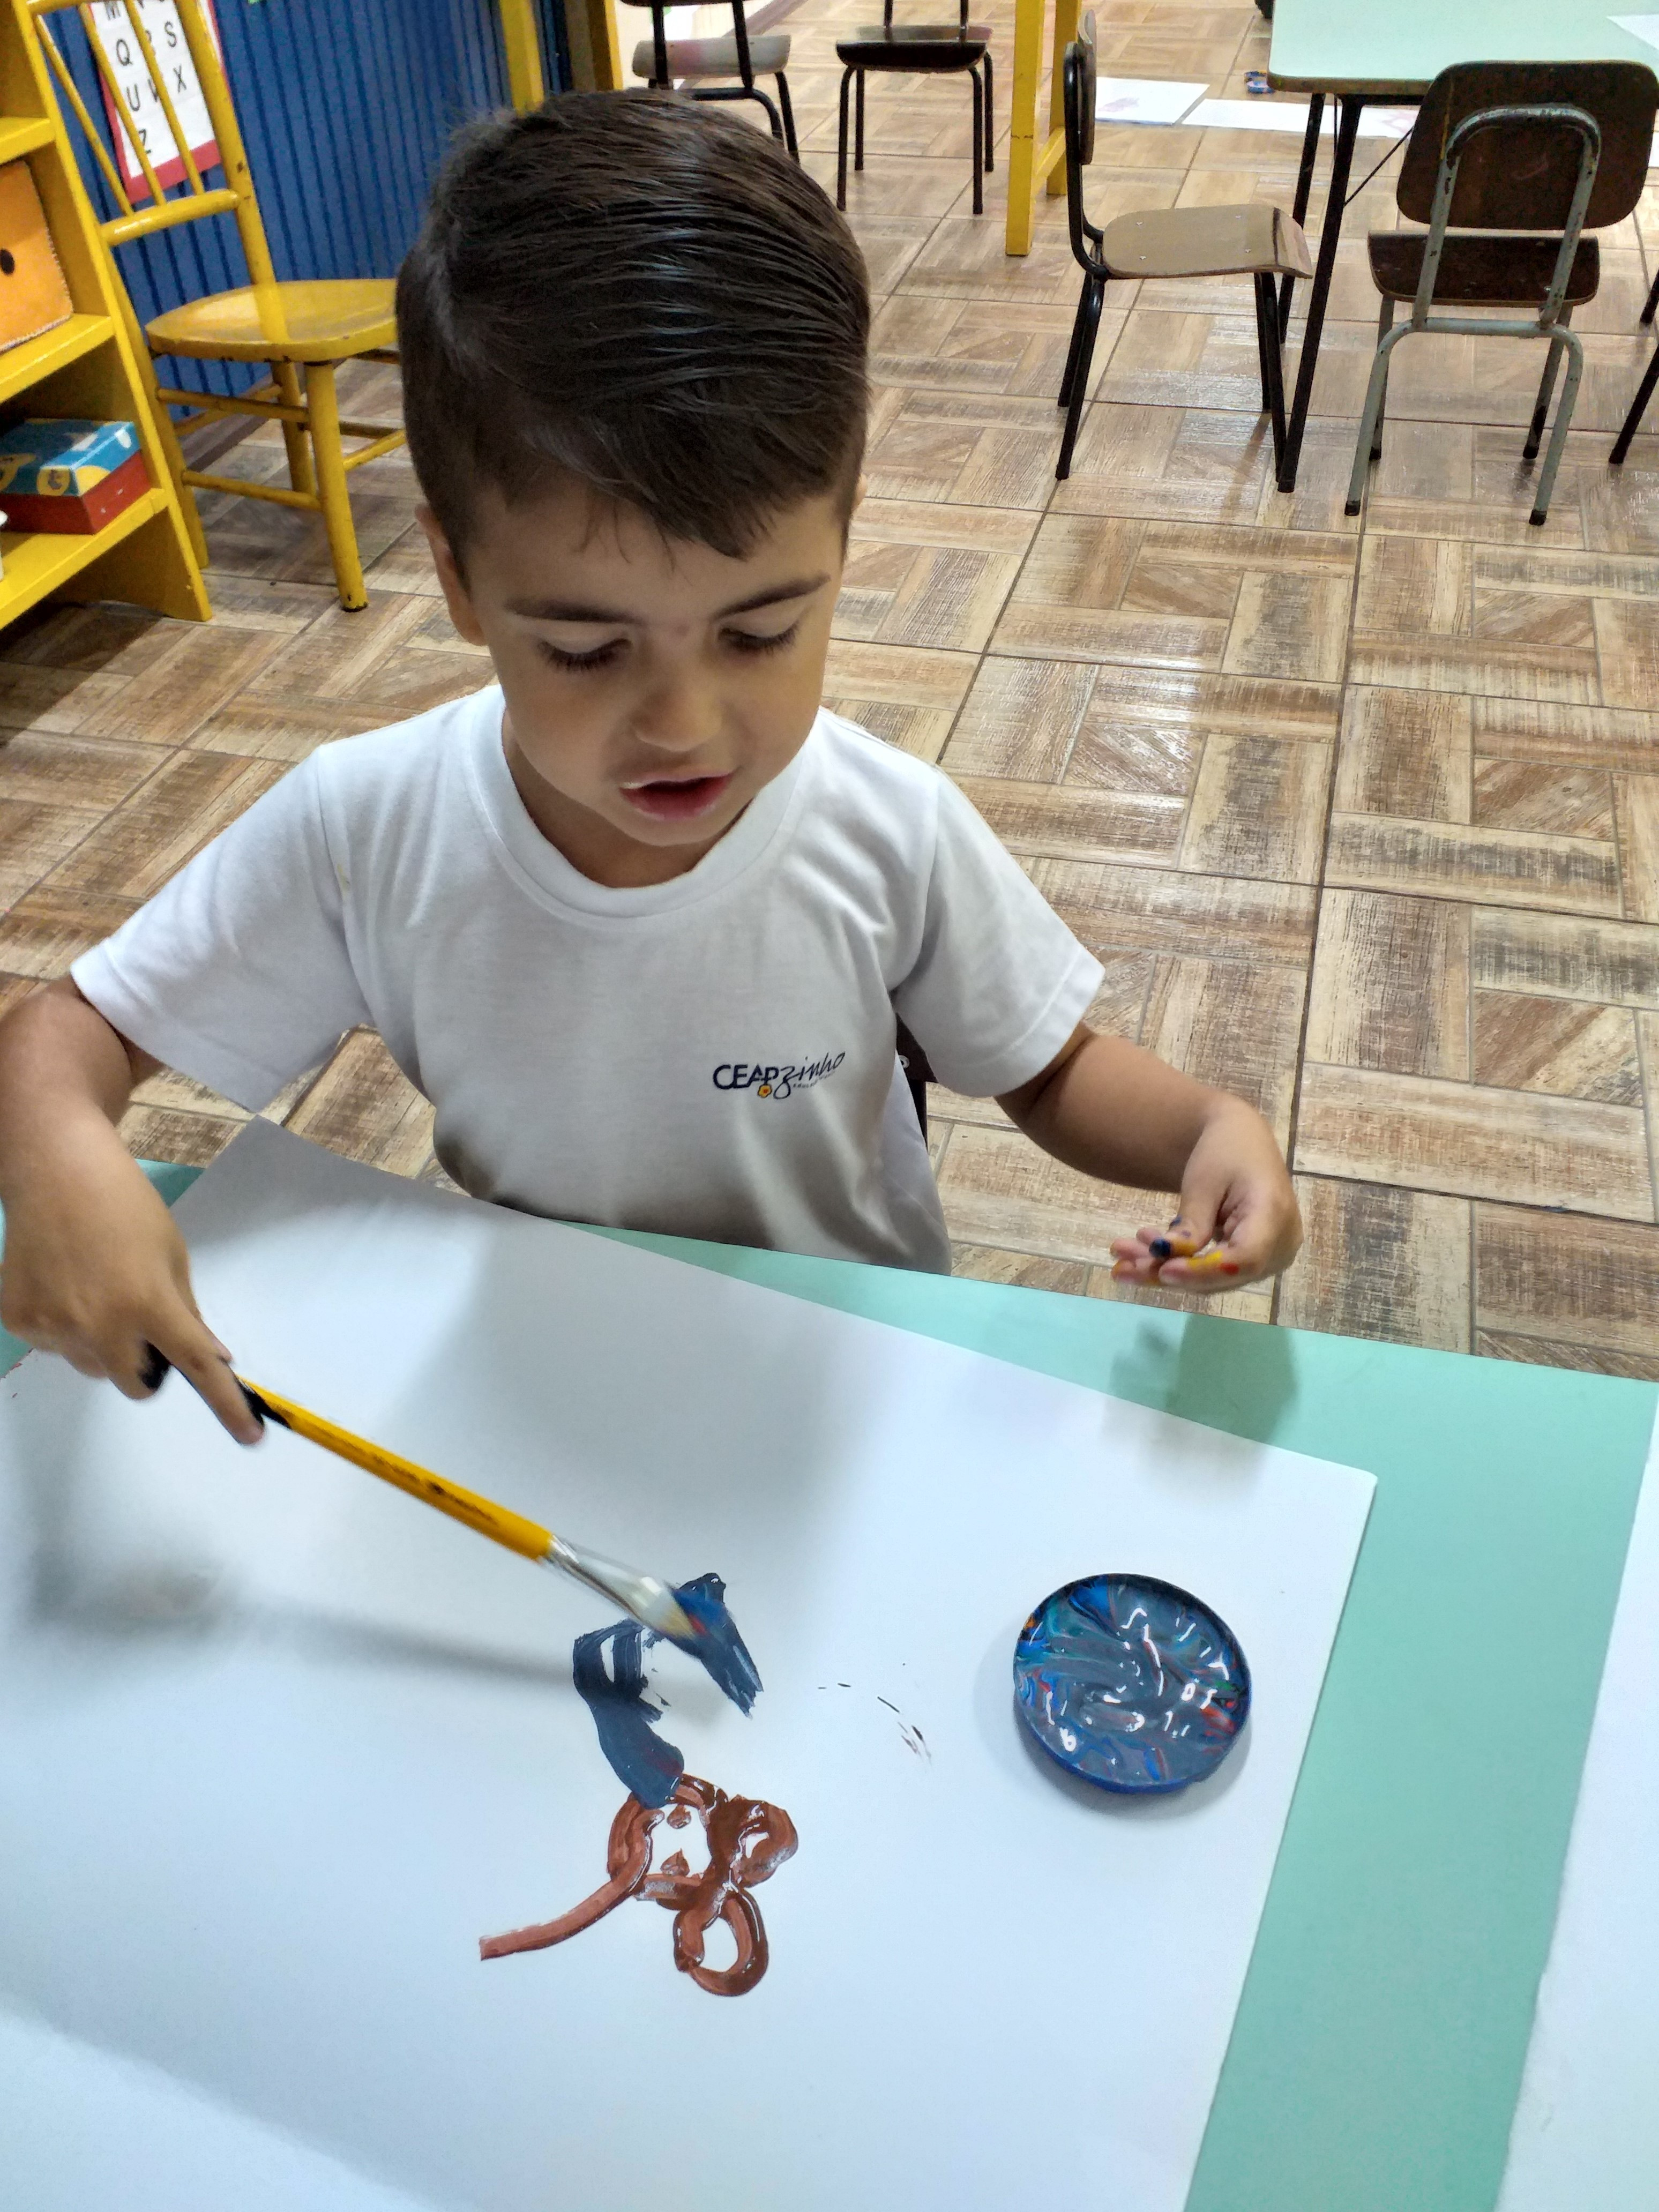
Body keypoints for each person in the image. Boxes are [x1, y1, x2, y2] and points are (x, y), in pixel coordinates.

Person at [0, 94, 1300, 1448]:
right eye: (584, 650)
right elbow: (62, 1036)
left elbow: (1042, 1068)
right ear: (457, 577)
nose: (683, 724)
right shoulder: (366, 827)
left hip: (845, 1385)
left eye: (761, 631)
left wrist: (1209, 1128)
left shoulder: (886, 826)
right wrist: (55, 1156)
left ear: (843, 543)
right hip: (547, 1379)